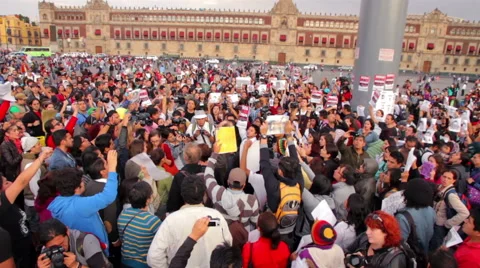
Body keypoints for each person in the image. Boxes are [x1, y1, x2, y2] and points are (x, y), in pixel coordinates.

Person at [147, 175, 232, 268]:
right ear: (204, 193)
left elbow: (154, 257)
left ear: (182, 194)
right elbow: (228, 245)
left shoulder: (171, 220)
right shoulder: (217, 217)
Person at [48, 150, 119, 251]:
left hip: (78, 248)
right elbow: (108, 196)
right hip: (93, 250)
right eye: (81, 181)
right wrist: (112, 169)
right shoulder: (80, 205)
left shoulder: (56, 203)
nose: (84, 182)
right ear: (77, 188)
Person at [0, 147, 52, 268]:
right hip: (19, 260)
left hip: (29, 253)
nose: (10, 183)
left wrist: (41, 158)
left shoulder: (4, 199)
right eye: (5, 182)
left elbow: (22, 181)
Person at [259, 121, 303, 245]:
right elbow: (296, 161)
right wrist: (289, 135)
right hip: (290, 231)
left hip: (272, 229)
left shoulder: (274, 187)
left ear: (280, 172)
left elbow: (264, 164)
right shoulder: (299, 183)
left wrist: (263, 137)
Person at [118, 181, 161, 268]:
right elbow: (160, 245)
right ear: (148, 200)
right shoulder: (152, 221)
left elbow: (122, 239)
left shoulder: (123, 214)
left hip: (124, 262)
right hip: (144, 264)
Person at [36, 219, 112, 268]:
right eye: (53, 247)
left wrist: (76, 266)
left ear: (67, 232)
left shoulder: (87, 241)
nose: (59, 248)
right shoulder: (45, 251)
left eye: (62, 243)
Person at [431, 170, 470, 251]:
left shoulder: (451, 195)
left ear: (454, 180)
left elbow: (465, 212)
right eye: (444, 177)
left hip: (440, 226)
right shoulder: (440, 187)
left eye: (449, 178)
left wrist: (448, 223)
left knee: (435, 248)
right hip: (434, 222)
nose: (445, 180)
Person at [395, 179, 436, 255]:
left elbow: (399, 244)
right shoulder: (431, 210)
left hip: (409, 257)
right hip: (424, 253)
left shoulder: (402, 217)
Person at [166, 143, 204, 213]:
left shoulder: (179, 176)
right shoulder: (206, 172)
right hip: (204, 211)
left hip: (184, 212)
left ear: (185, 157)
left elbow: (173, 201)